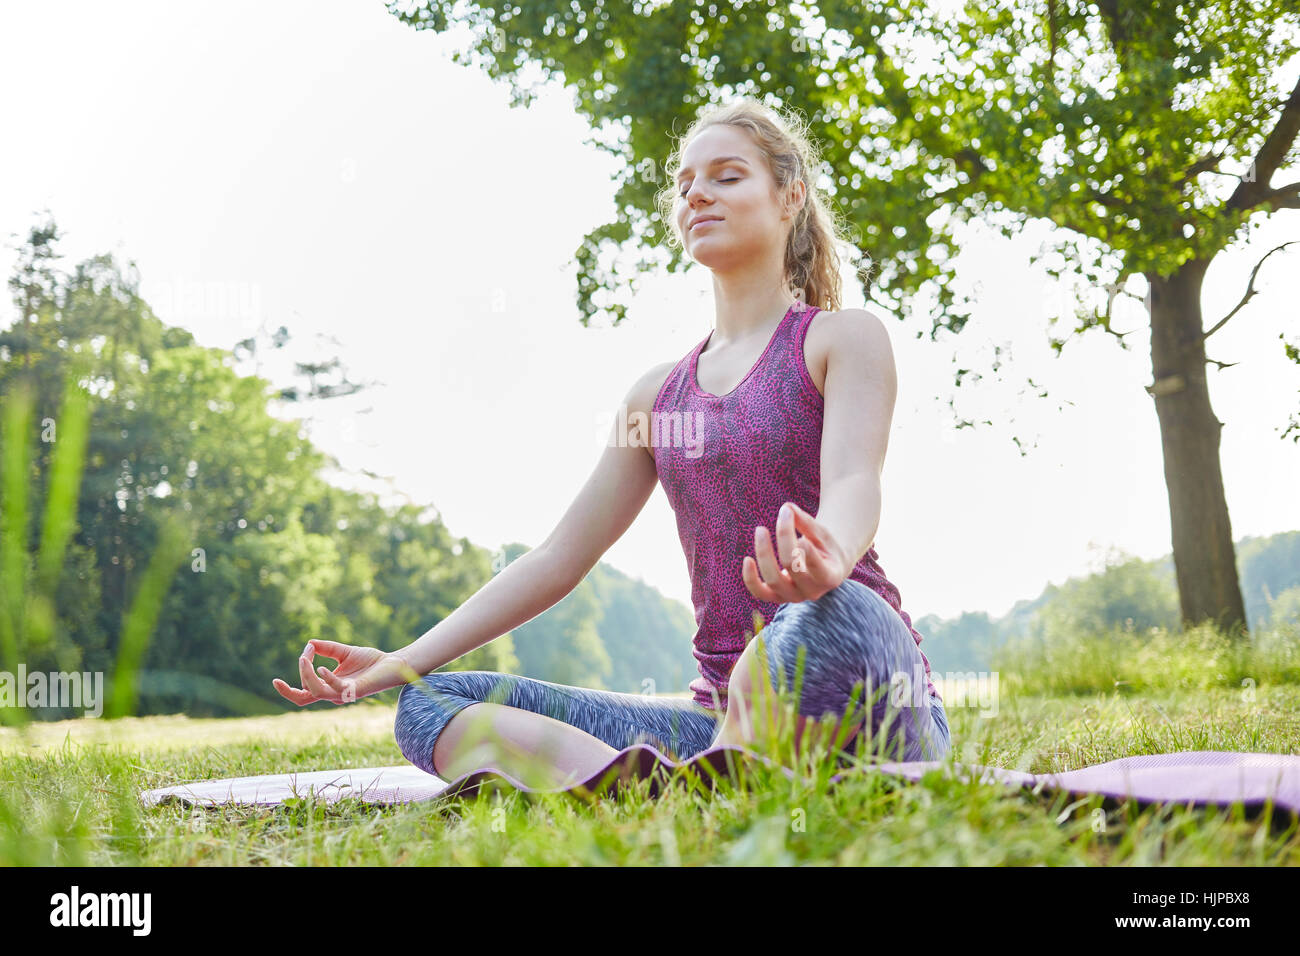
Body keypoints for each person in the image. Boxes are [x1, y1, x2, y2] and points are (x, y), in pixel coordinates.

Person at [273, 97, 952, 788]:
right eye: (685, 184)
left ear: (789, 197)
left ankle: (709, 775)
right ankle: (666, 787)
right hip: (713, 722)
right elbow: (558, 557)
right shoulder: (651, 400)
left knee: (806, 619)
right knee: (431, 701)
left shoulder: (843, 338)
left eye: (726, 176)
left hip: (860, 673)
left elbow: (854, 482)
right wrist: (401, 661)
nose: (698, 195)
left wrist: (829, 554)